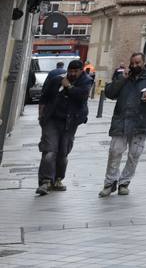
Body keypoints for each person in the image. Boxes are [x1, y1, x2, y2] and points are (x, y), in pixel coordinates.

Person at [101, 52, 146, 197]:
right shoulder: (124, 76)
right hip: (121, 120)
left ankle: (124, 183)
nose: (134, 66)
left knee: (134, 154)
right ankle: (109, 183)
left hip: (141, 121)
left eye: (137, 63)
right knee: (114, 152)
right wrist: (122, 79)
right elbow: (109, 93)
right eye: (132, 63)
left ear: (144, 62)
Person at [35, 58, 93, 194]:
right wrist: (41, 116)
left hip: (70, 122)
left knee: (63, 153)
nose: (72, 74)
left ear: (81, 71)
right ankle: (45, 181)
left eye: (75, 71)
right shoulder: (56, 80)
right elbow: (44, 97)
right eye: (70, 71)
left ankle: (58, 179)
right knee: (49, 151)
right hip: (52, 120)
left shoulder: (86, 81)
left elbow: (82, 97)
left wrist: (69, 86)